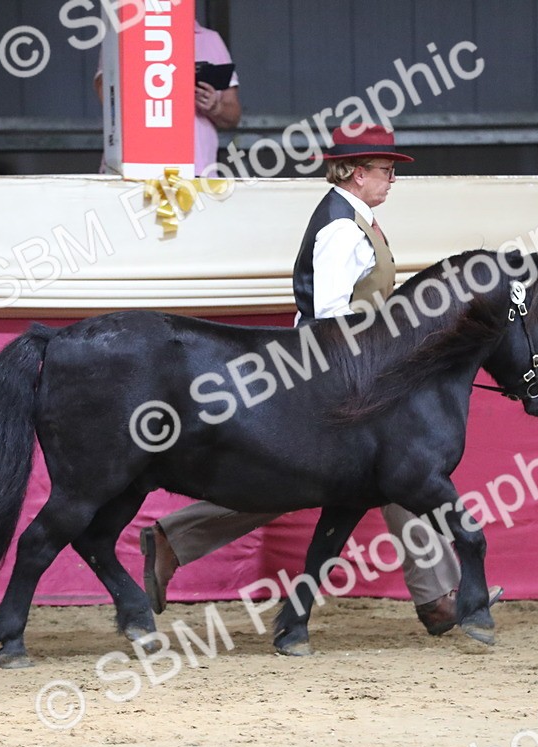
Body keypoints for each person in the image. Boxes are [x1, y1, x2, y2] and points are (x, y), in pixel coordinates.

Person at [140, 124, 462, 636]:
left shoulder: (356, 218)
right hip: (331, 374)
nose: (392, 178)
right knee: (396, 470)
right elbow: (331, 319)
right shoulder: (340, 227)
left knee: (385, 473)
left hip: (344, 371)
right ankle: (440, 594)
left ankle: (440, 594)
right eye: (386, 169)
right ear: (357, 173)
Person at [92, 20, 241, 175]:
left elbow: (233, 114)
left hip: (197, 169)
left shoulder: (210, 39)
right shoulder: (122, 36)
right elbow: (108, 96)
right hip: (134, 166)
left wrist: (215, 107)